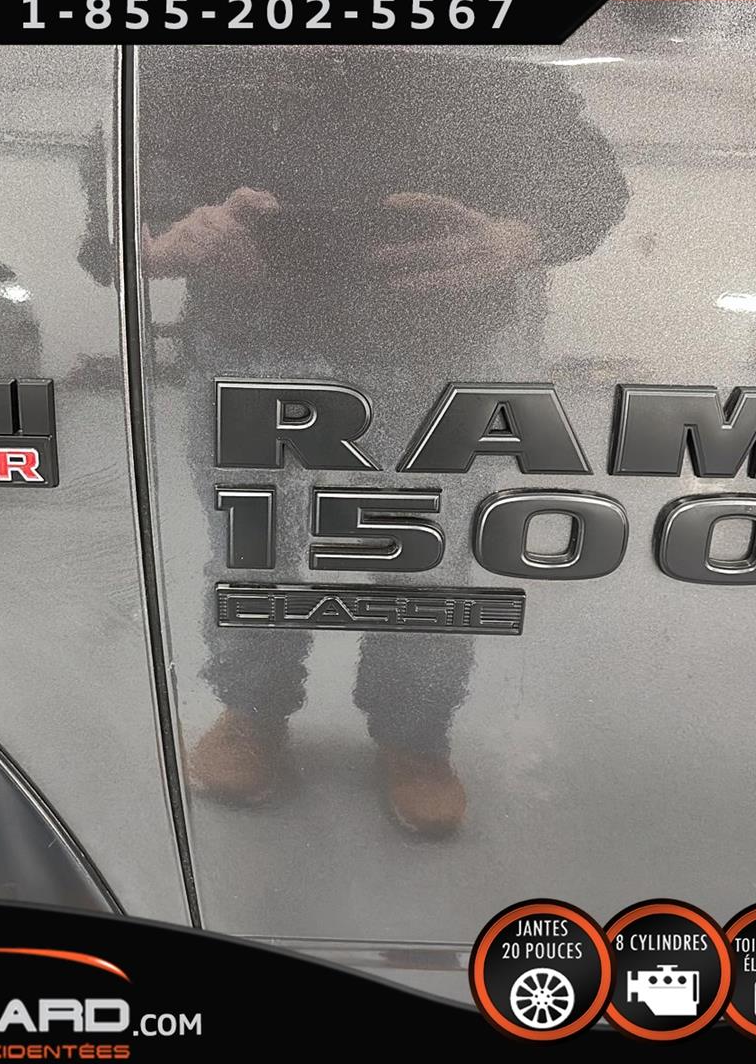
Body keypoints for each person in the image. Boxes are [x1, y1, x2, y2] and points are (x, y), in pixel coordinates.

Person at [83, 46, 628, 836]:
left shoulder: (481, 52)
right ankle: (252, 711)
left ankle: (414, 735)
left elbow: (586, 176)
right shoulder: (195, 54)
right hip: (252, 336)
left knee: (424, 556)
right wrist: (160, 235)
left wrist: (523, 234)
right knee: (250, 547)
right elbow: (117, 181)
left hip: (431, 343)